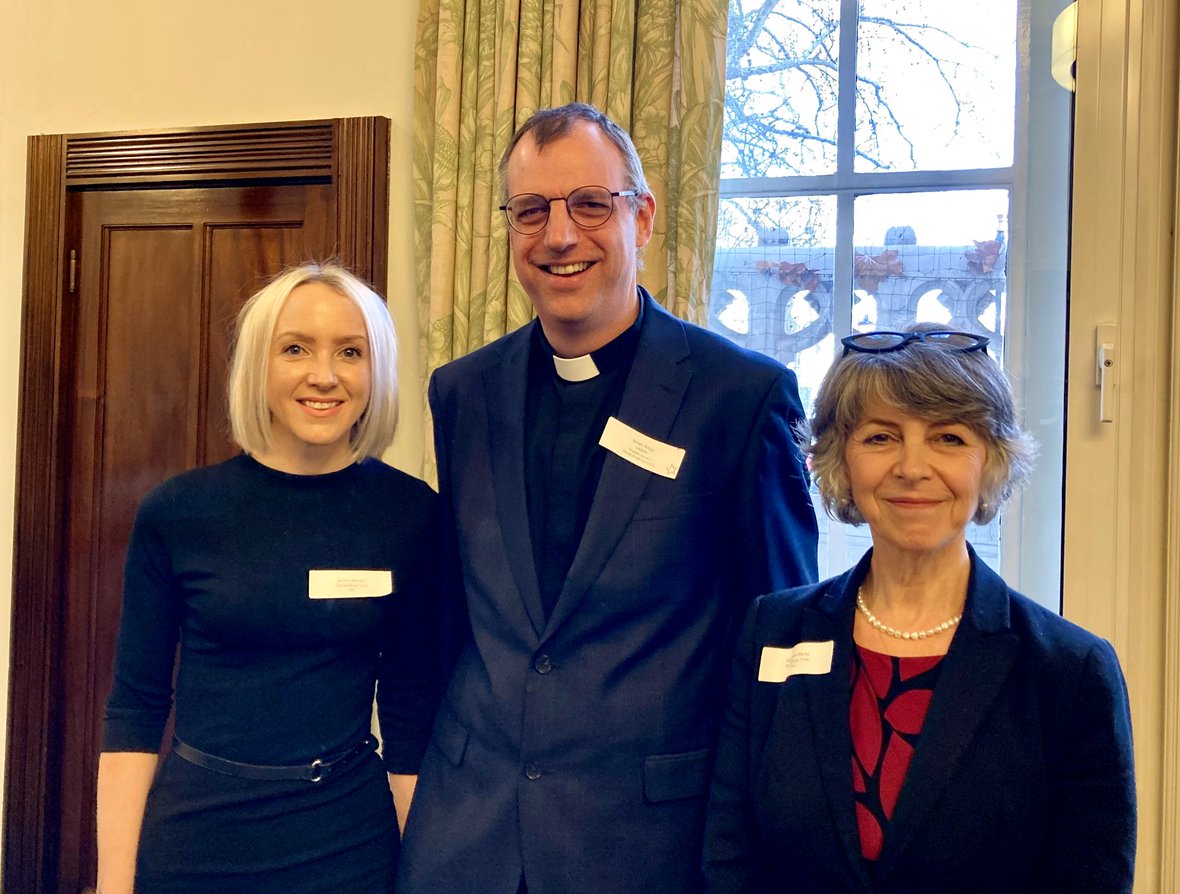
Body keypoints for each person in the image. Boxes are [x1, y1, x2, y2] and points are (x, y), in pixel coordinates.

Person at [396, 103, 819, 894]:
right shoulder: (462, 392)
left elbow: (774, 649)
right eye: (531, 211)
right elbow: (457, 615)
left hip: (648, 847)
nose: (560, 236)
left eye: (591, 204)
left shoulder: (740, 399)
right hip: (467, 842)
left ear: (644, 217)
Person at [704, 325, 1138, 893]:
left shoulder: (1069, 672)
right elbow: (731, 859)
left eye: (949, 438)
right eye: (881, 438)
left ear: (991, 460)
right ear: (840, 459)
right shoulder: (772, 633)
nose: (912, 467)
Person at [96, 263, 439, 894]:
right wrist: (116, 885)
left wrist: (419, 872)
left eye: (350, 352)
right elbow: (135, 710)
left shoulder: (411, 514)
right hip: (199, 835)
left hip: (348, 841)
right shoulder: (178, 512)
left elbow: (411, 706)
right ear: (259, 364)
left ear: (376, 369)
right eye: (296, 348)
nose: (324, 375)